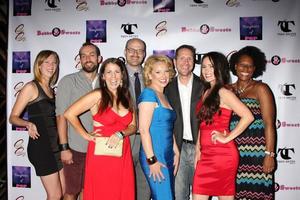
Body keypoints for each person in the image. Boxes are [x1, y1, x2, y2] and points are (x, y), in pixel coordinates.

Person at [64, 58, 136, 200]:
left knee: (121, 192)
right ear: (103, 76)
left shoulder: (127, 97)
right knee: (103, 192)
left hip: (123, 152)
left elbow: (133, 126)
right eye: (109, 72)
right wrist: (85, 135)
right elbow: (69, 113)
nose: (113, 76)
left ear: (122, 74)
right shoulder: (97, 95)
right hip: (102, 154)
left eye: (117, 72)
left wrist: (121, 133)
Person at [192, 52, 254, 200]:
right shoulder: (206, 92)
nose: (206, 71)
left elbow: (248, 116)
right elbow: (203, 124)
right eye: (204, 67)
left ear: (219, 68)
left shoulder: (223, 92)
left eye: (211, 67)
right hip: (205, 156)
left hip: (223, 157)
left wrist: (227, 138)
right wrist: (197, 150)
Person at [9, 50, 64, 200]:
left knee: (65, 192)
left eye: (54, 62)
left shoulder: (51, 90)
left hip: (55, 146)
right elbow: (13, 117)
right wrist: (27, 124)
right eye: (47, 62)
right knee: (55, 195)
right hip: (41, 147)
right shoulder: (31, 87)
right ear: (39, 65)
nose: (51, 66)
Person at [228, 46, 276, 200]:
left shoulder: (261, 89)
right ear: (235, 66)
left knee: (257, 193)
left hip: (257, 153)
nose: (246, 69)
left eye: (250, 66)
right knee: (233, 193)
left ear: (255, 69)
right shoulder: (226, 90)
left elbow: (269, 124)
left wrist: (269, 154)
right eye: (242, 64)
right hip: (233, 151)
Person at [55, 42, 102, 200]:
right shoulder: (68, 81)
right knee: (71, 192)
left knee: (88, 190)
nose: (87, 59)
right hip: (75, 149)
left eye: (91, 55)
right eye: (83, 56)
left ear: (99, 58)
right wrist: (64, 148)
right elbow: (61, 116)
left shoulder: (107, 82)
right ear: (80, 60)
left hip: (99, 149)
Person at [165, 44, 204, 200]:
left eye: (189, 58)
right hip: (177, 149)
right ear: (175, 62)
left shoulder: (204, 86)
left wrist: (201, 148)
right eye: (182, 58)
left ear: (194, 62)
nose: (186, 62)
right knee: (179, 195)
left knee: (200, 195)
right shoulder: (167, 87)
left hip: (200, 149)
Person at [138, 55, 180, 200]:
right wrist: (152, 160)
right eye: (158, 72)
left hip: (168, 153)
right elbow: (143, 130)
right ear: (149, 74)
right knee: (164, 197)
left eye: (166, 71)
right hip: (154, 154)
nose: (164, 76)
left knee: (167, 196)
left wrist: (176, 151)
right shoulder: (149, 94)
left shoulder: (163, 94)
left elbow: (167, 127)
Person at [124, 38, 151, 200]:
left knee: (144, 189)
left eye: (140, 50)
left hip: (148, 140)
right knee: (122, 188)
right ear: (125, 52)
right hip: (124, 139)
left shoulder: (152, 76)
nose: (135, 54)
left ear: (145, 54)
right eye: (131, 50)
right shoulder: (113, 75)